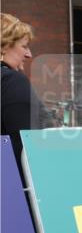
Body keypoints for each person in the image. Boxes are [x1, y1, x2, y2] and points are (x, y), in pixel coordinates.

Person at [1, 13, 45, 182]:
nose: (29, 54)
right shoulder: (11, 81)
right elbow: (25, 146)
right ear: (4, 46)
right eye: (24, 46)